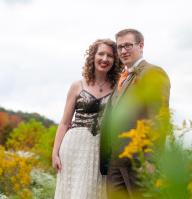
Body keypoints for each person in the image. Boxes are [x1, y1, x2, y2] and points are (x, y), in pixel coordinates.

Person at [99, 29, 171, 199]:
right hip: (115, 163)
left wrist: (151, 160)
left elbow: (159, 118)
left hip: (139, 162)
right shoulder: (122, 78)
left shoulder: (153, 73)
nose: (123, 51)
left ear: (141, 45)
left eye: (128, 45)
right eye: (119, 47)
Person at [53, 39, 123, 199]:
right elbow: (64, 123)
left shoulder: (118, 88)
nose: (105, 59)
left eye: (110, 56)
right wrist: (55, 153)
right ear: (93, 56)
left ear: (115, 60)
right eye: (101, 54)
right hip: (74, 146)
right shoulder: (77, 86)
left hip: (102, 149)